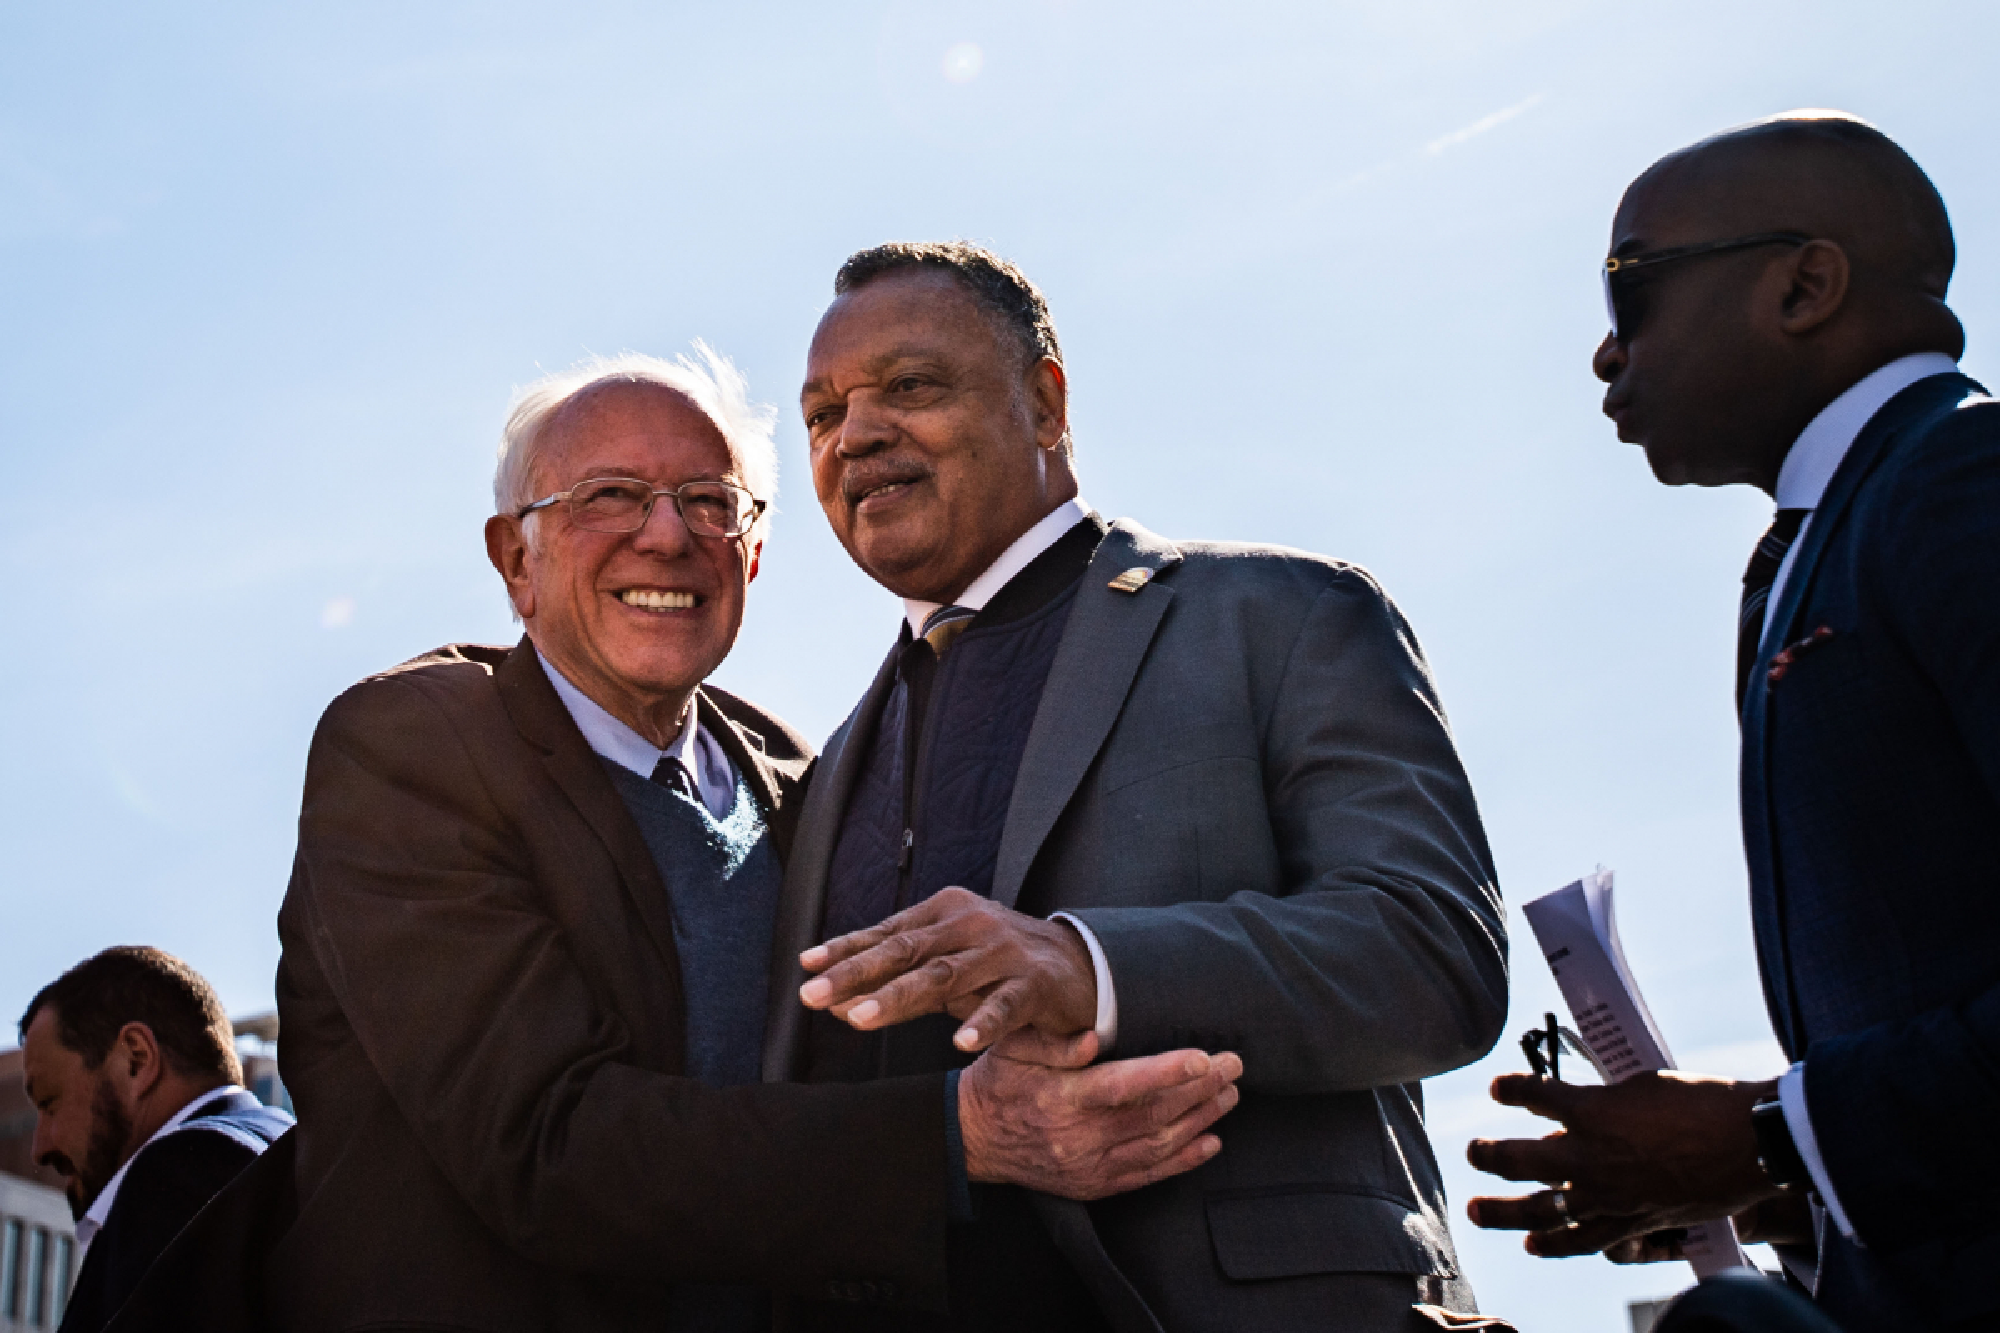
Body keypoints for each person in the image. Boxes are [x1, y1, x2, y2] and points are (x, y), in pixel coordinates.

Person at [255, 348, 1239, 1332]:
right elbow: (545, 1142)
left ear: (752, 553)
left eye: (709, 500)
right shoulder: (414, 747)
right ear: (517, 559)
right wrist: (957, 1132)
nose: (666, 534)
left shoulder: (803, 776)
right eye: (608, 495)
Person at [781, 241, 1510, 1331]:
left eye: (911, 386)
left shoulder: (1285, 614)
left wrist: (1090, 966)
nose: (858, 433)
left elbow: (1433, 953)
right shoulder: (821, 769)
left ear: (1043, 401)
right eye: (822, 413)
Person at [1464, 112, 2000, 1330]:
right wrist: (1762, 1179)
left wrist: (1767, 1133)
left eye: (1629, 291)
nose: (1605, 356)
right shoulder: (1833, 534)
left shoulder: (1961, 482)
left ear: (1803, 284)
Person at [18, 946, 292, 1333]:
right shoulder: (286, 1151)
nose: (40, 1147)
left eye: (50, 1103)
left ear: (136, 1058)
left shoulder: (180, 1175)